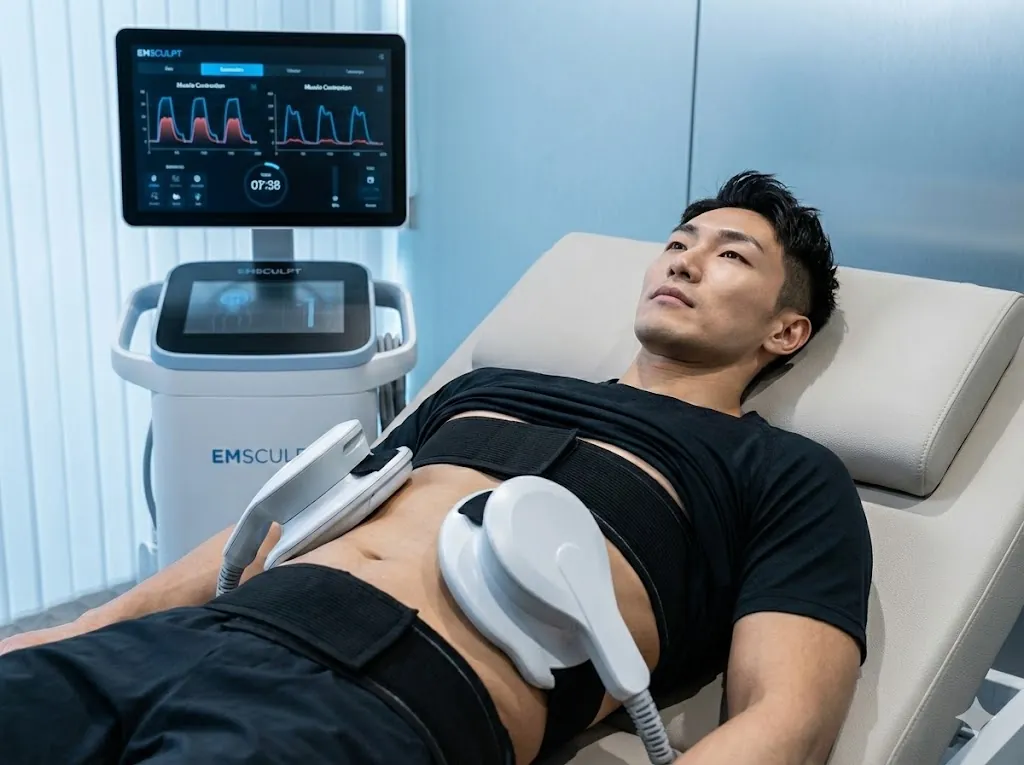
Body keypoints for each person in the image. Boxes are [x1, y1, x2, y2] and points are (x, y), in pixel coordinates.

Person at [0, 171, 871, 765]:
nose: (685, 257)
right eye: (679, 240)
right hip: (201, 635)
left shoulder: (784, 473)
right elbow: (291, 524)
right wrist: (79, 631)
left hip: (381, 699)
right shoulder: (488, 387)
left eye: (731, 254)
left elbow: (787, 719)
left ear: (785, 329)